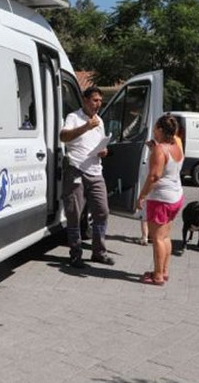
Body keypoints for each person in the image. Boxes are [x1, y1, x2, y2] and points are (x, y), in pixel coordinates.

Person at [61, 86, 113, 268]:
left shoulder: (99, 120)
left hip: (95, 171)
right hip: (76, 169)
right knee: (74, 214)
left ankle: (99, 253)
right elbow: (63, 136)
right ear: (85, 100)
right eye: (95, 100)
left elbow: (98, 144)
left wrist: (103, 151)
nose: (98, 104)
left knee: (102, 211)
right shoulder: (73, 117)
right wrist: (85, 127)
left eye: (100, 101)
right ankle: (75, 254)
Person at [136, 115, 185, 285]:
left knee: (156, 238)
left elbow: (154, 176)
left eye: (156, 128)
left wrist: (142, 195)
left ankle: (157, 275)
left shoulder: (160, 149)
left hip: (161, 198)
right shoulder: (177, 144)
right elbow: (168, 165)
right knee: (165, 236)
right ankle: (163, 271)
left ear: (161, 130)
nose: (154, 131)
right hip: (176, 195)